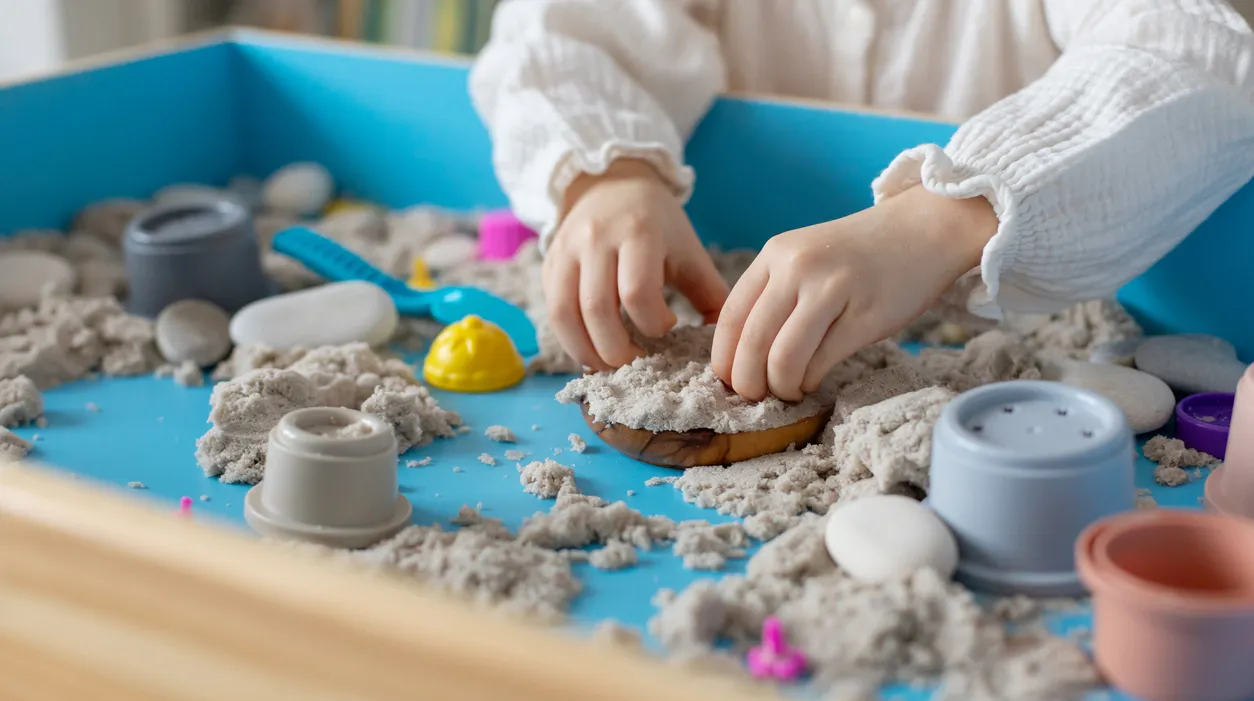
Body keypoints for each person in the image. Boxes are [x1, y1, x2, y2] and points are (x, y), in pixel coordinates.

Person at [469, 0, 1254, 403]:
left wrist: (944, 215)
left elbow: (1201, 57)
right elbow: (556, 31)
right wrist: (611, 175)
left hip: (1026, 309)